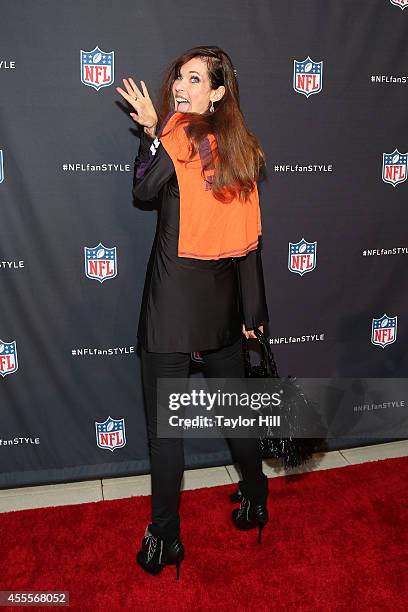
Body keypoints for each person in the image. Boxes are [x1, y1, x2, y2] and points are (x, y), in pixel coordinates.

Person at [116, 46, 270, 580]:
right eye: (180, 76)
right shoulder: (239, 147)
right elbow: (250, 244)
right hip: (224, 309)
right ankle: (256, 496)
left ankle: (165, 540)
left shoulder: (177, 138)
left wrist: (151, 135)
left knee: (166, 433)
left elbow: (141, 188)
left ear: (218, 92)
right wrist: (255, 313)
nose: (182, 85)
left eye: (196, 79)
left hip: (171, 308)